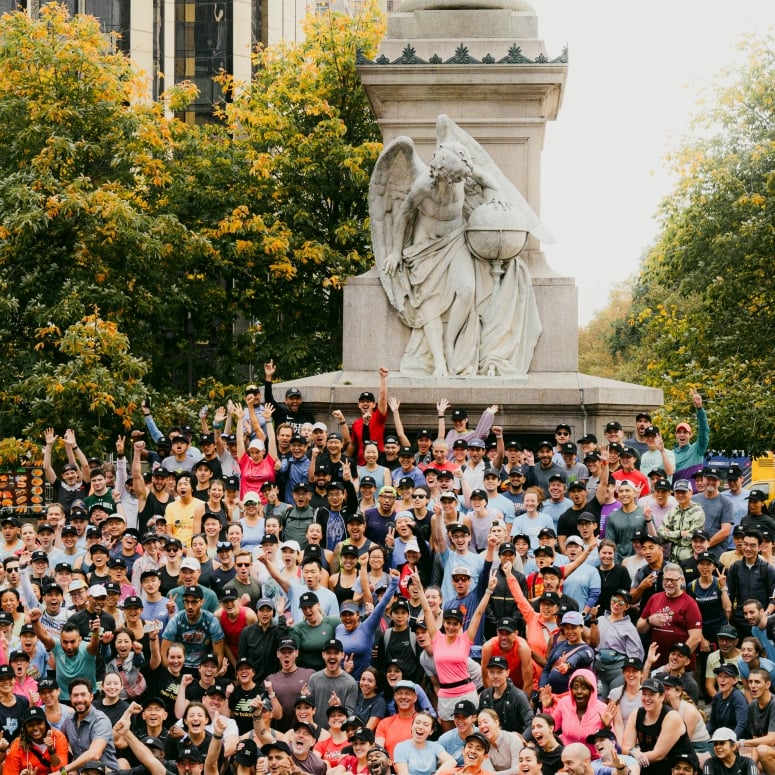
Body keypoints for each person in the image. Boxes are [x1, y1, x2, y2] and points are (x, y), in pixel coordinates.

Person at [623, 677, 694, 775]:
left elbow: (658, 755)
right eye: (644, 694)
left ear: (662, 697)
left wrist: (633, 757)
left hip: (677, 767)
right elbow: (625, 747)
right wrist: (633, 752)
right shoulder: (636, 714)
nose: (646, 698)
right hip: (649, 764)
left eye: (652, 694)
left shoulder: (672, 717)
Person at [588, 589, 644, 697]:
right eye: (614, 600)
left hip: (618, 671)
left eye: (621, 603)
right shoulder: (600, 620)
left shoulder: (629, 628)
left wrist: (632, 674)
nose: (616, 604)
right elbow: (591, 643)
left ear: (627, 607)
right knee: (599, 700)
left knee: (614, 700)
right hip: (600, 669)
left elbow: (636, 655)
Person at [541, 669, 609, 756]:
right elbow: (551, 728)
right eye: (575, 688)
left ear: (592, 690)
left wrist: (607, 727)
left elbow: (611, 744)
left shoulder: (602, 708)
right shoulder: (564, 703)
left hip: (593, 759)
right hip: (566, 756)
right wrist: (547, 708)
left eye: (584, 688)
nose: (579, 691)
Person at [61, 677, 120, 772]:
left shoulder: (100, 720)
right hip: (82, 772)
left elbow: (94, 754)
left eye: (83, 695)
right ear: (70, 698)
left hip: (106, 772)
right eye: (75, 695)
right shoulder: (69, 719)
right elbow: (59, 739)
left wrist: (64, 770)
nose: (79, 699)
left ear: (91, 696)